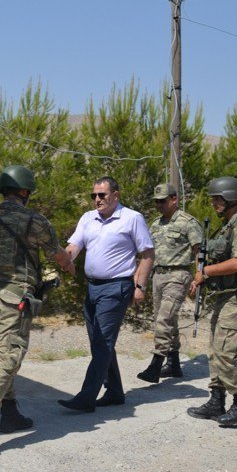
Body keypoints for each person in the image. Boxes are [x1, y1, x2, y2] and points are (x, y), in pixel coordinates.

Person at [0, 165, 75, 452]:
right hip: (14, 296)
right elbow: (55, 253)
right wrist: (68, 264)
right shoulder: (32, 220)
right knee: (10, 355)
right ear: (25, 191)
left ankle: (9, 414)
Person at [57, 176, 154, 412]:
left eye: (102, 195)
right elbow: (74, 247)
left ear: (116, 195)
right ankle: (115, 392)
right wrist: (62, 259)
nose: (97, 199)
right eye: (94, 196)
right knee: (99, 342)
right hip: (92, 287)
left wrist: (140, 286)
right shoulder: (88, 218)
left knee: (102, 342)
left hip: (116, 287)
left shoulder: (132, 218)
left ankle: (86, 397)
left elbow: (148, 253)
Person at [186, 176, 237, 427]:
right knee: (215, 350)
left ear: (230, 198)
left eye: (217, 198)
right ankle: (216, 400)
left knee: (225, 351)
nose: (213, 203)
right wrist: (201, 278)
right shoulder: (228, 225)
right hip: (225, 296)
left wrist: (206, 272)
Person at [137, 183, 203, 383]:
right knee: (165, 319)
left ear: (174, 199)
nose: (159, 205)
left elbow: (199, 250)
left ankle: (156, 364)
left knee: (163, 319)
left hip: (178, 275)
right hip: (158, 275)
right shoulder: (156, 224)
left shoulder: (188, 222)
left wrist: (199, 275)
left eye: (163, 201)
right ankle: (173, 364)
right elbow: (148, 252)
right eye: (156, 201)